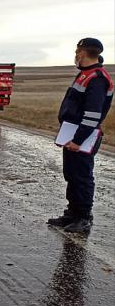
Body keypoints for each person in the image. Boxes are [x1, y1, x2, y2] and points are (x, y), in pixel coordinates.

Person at [47, 37, 112, 234]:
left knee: (82, 177)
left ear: (83, 52)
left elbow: (92, 115)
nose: (76, 54)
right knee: (72, 174)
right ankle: (72, 213)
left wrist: (78, 140)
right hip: (72, 133)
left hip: (83, 136)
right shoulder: (86, 74)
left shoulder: (97, 78)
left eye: (77, 50)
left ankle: (83, 217)